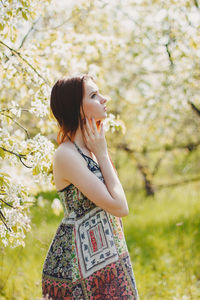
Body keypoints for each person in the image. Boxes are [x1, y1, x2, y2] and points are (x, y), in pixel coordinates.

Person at [42, 73, 139, 299]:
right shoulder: (65, 155)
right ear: (77, 107)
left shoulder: (92, 150)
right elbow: (120, 206)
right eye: (94, 95)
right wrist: (103, 153)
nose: (104, 99)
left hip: (109, 258)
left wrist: (100, 152)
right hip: (77, 268)